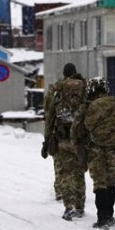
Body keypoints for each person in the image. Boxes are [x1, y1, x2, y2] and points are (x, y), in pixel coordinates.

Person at [72, 76, 115, 230]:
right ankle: (109, 215)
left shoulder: (87, 107)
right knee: (110, 182)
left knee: (99, 183)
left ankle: (102, 217)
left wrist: (78, 147)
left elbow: (76, 129)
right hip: (113, 149)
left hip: (94, 149)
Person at [42, 63, 87, 221]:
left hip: (62, 137)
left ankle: (69, 206)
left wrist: (46, 140)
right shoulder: (85, 87)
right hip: (80, 138)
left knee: (66, 172)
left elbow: (49, 115)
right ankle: (80, 206)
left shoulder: (57, 89)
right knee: (79, 172)